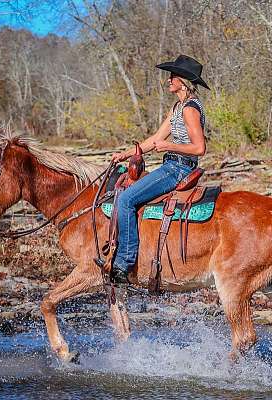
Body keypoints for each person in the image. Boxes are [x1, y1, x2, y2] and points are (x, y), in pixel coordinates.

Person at [110, 54, 209, 284]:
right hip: (171, 164)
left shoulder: (190, 109)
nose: (168, 80)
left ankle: (124, 263)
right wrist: (127, 154)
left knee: (125, 200)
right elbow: (156, 138)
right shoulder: (177, 107)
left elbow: (199, 147)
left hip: (179, 168)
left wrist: (169, 145)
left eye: (172, 76)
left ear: (183, 80)